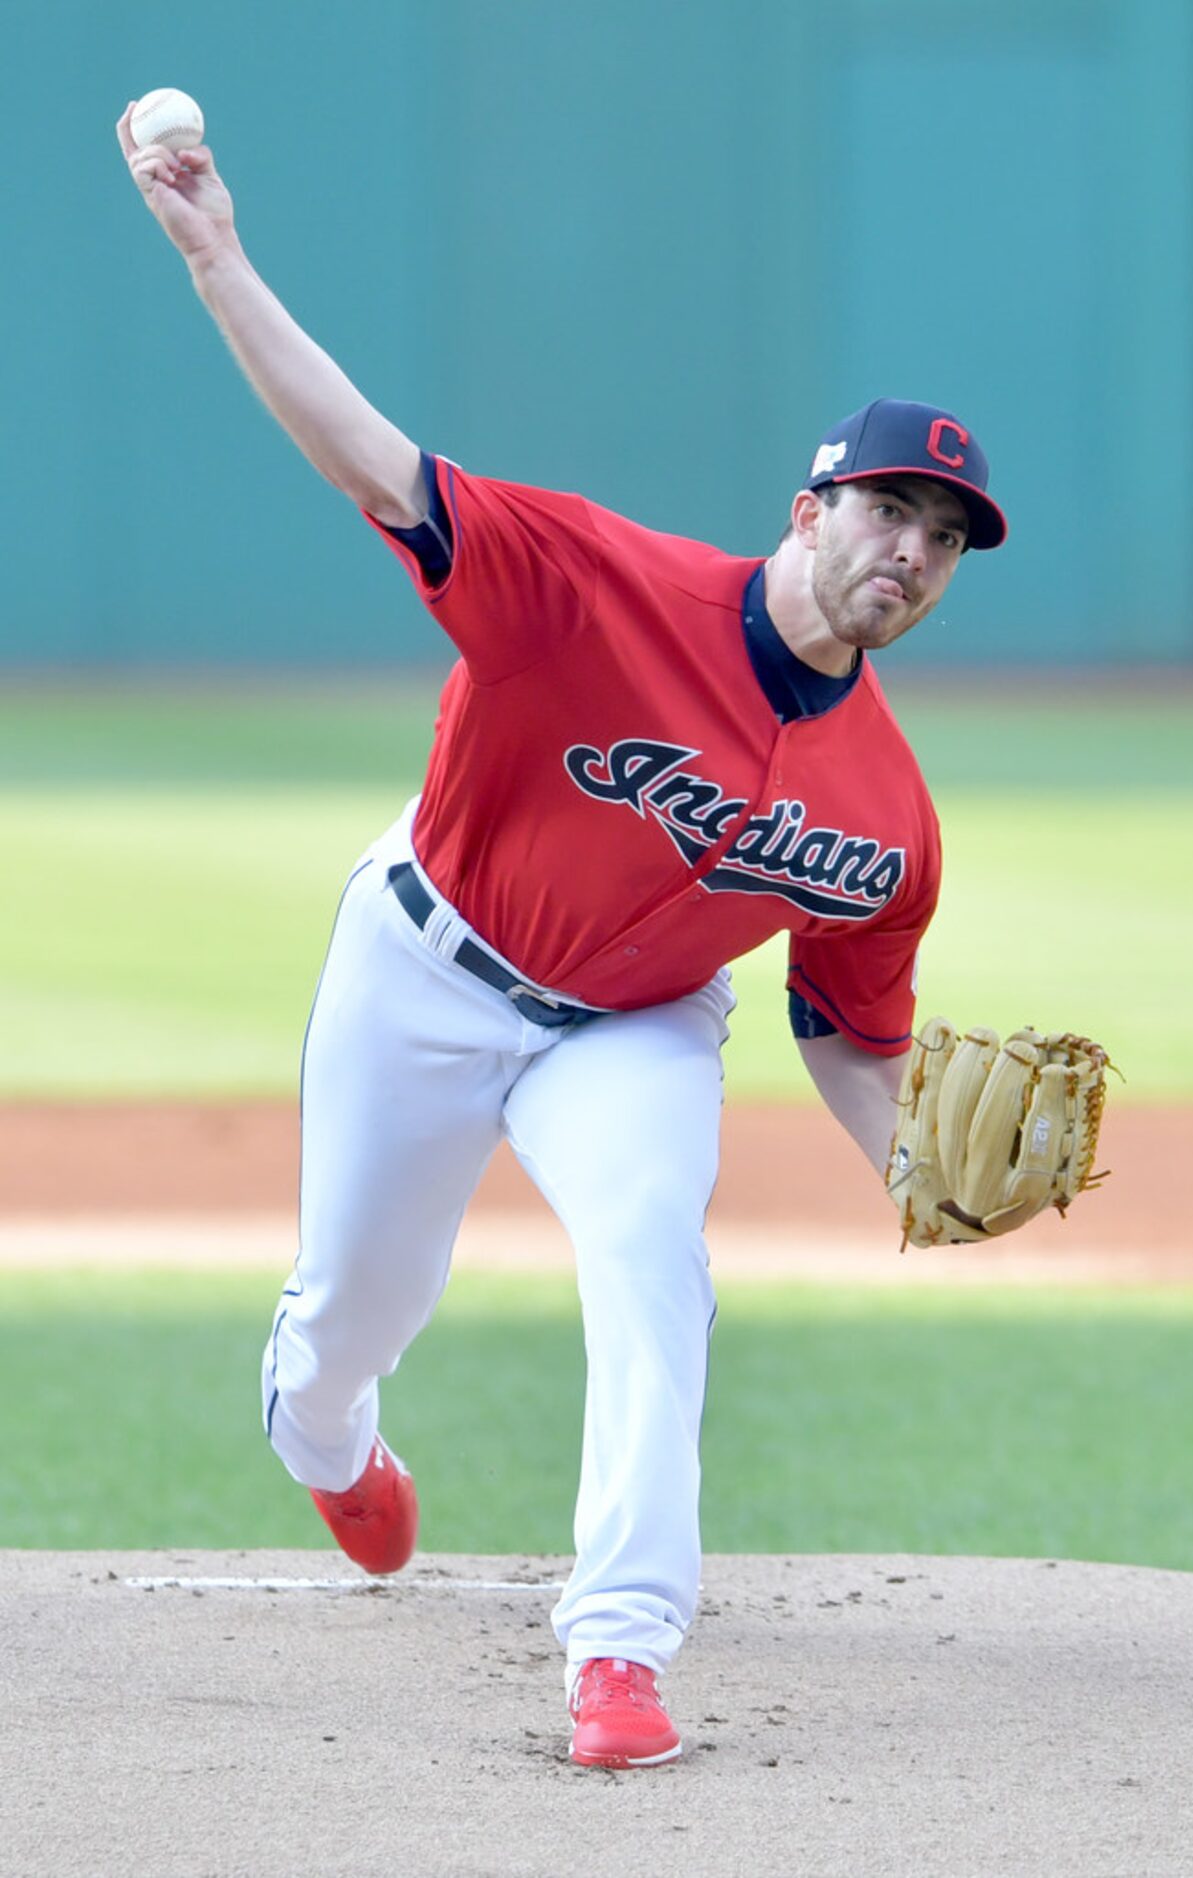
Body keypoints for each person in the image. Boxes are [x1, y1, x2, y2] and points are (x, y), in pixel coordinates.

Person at [118, 102, 1008, 1771]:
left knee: (652, 1261)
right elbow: (370, 457)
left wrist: (915, 1166)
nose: (914, 547)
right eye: (890, 508)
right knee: (348, 1320)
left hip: (639, 1029)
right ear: (807, 507)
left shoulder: (890, 817)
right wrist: (216, 254)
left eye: (945, 536)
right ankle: (327, 1441)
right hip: (423, 960)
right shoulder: (594, 582)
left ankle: (618, 1653)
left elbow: (850, 1025)